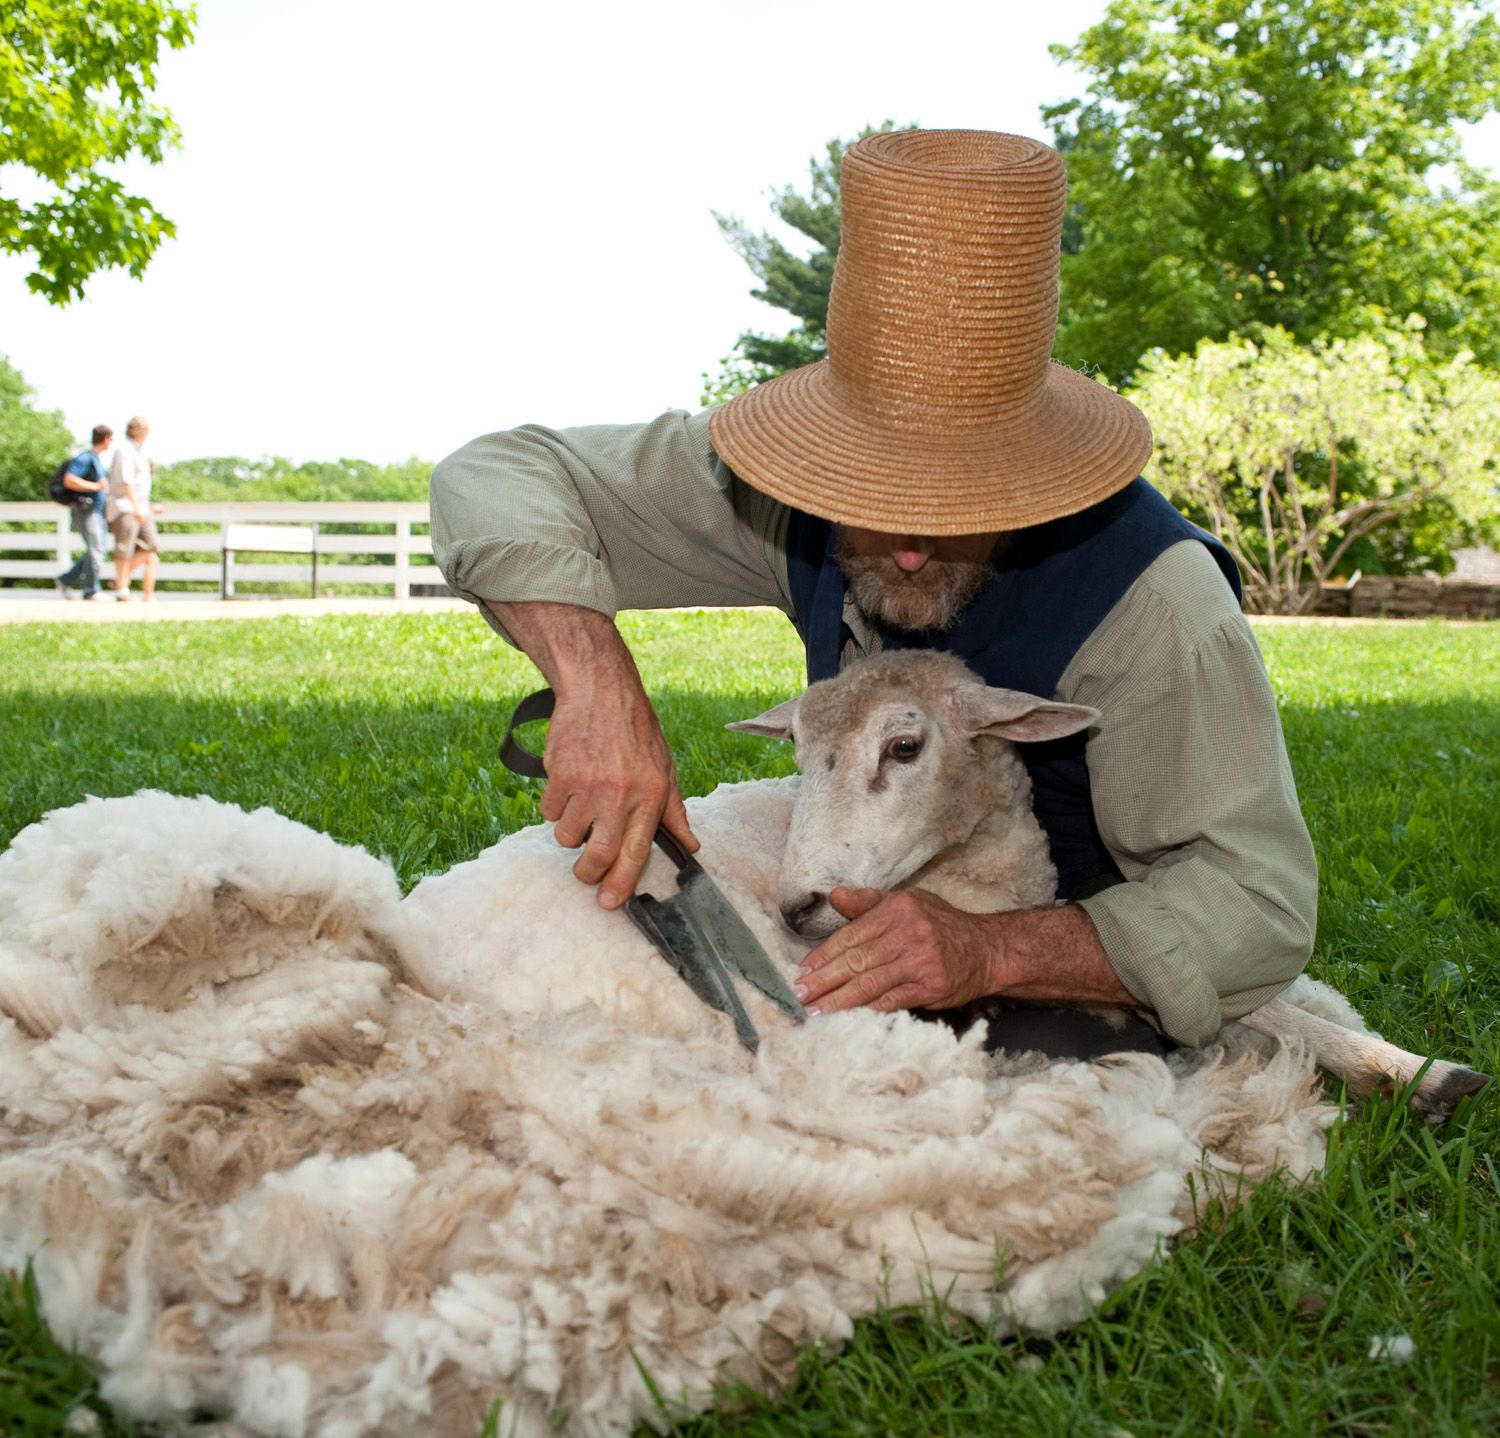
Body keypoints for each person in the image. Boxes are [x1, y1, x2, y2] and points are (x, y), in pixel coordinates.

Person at [428, 129, 1317, 1057]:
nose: (902, 548)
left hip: (1062, 950)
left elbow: (1257, 903)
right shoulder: (787, 496)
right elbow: (495, 475)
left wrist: (991, 949)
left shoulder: (1153, 602)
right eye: (870, 487)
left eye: (954, 497)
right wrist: (594, 679)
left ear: (1028, 463)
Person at [106, 416, 165, 601]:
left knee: (150, 546)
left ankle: (120, 581)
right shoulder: (125, 451)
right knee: (124, 548)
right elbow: (126, 482)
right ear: (138, 430)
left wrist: (146, 506)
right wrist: (136, 505)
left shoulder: (141, 451)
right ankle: (121, 589)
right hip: (125, 506)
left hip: (141, 506)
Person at [55, 425, 113, 601]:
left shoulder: (94, 458)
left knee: (96, 549)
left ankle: (65, 579)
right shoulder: (86, 458)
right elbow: (69, 480)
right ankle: (91, 590)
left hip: (95, 511)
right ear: (106, 439)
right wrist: (96, 486)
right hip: (87, 511)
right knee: (96, 549)